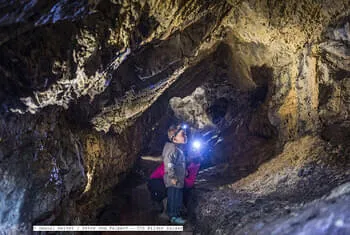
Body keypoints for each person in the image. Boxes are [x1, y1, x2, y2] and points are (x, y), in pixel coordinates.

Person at [163, 124, 187, 225]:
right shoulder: (172, 149)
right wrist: (172, 177)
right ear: (174, 139)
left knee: (176, 196)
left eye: (185, 134)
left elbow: (178, 163)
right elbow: (169, 164)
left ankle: (173, 213)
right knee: (174, 197)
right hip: (173, 180)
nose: (185, 136)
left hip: (177, 178)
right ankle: (174, 216)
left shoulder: (176, 148)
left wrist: (184, 171)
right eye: (182, 134)